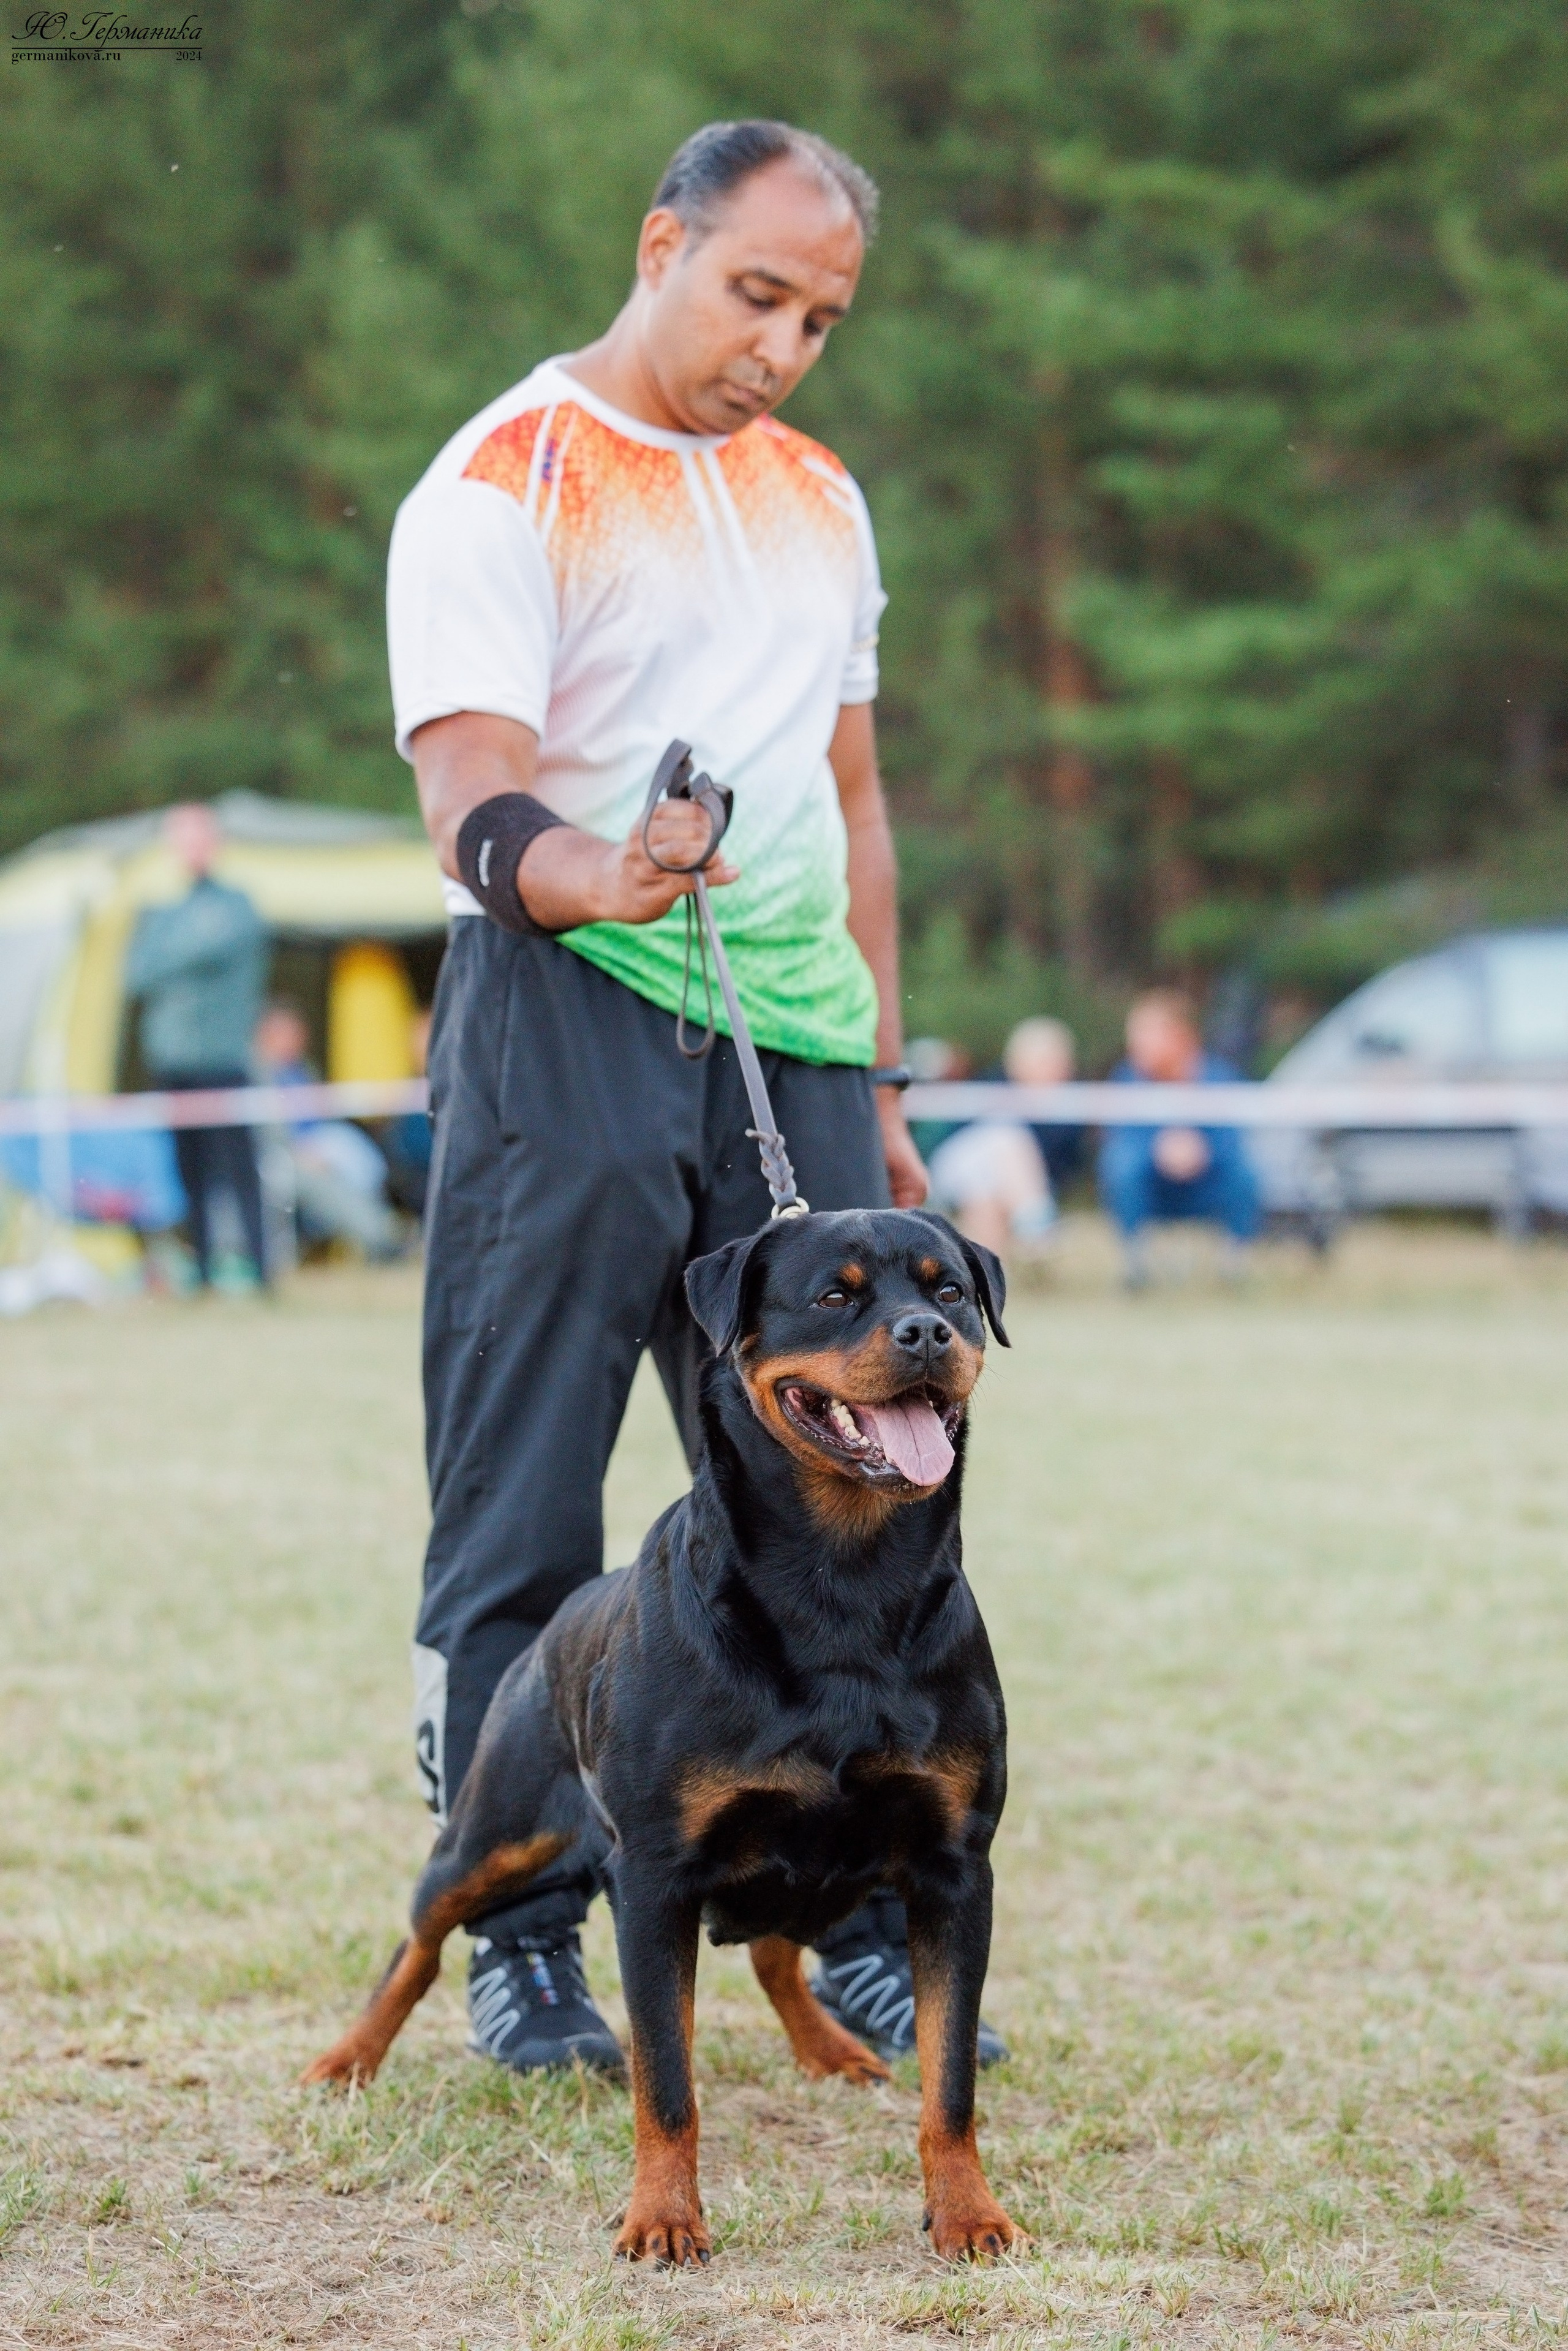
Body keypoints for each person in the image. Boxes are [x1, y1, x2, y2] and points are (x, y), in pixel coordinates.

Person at [388, 118, 1006, 2078]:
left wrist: (883, 1077)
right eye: (756, 292)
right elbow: (471, 798)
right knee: (526, 1504)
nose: (782, 345)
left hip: (799, 1047)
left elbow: (856, 793)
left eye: (821, 317)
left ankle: (874, 1903)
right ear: (661, 241)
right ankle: (525, 1934)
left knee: (860, 1481)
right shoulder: (502, 480)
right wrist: (607, 870)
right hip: (565, 1010)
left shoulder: (823, 494)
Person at [124, 804, 269, 1290]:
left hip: (225, 1062)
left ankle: (263, 1270)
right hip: (174, 1063)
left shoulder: (235, 904)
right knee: (191, 1175)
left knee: (240, 1170)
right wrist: (181, 948)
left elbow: (195, 951)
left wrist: (170, 950)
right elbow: (138, 972)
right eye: (181, 839)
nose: (191, 849)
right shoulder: (166, 909)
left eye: (198, 838)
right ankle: (204, 1272)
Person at [1099, 988, 1262, 1288]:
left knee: (1246, 1173)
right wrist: (1158, 1150)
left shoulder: (1219, 1078)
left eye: (1146, 1034)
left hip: (1207, 1185)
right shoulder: (1127, 1079)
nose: (1135, 1045)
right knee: (1119, 1166)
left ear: (1180, 1035)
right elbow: (1119, 1138)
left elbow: (1235, 1139)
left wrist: (1203, 1151)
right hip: (1154, 1187)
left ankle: (1234, 1264)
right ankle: (1135, 1266)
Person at [252, 1003, 404, 1262]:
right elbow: (262, 1132)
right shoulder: (255, 1073)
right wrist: (299, 1152)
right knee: (323, 1181)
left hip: (319, 1145)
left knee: (363, 1163)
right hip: (282, 1157)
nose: (299, 1040)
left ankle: (384, 1233)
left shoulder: (303, 1069)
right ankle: (380, 1237)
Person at [925, 1017, 1081, 1261]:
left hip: (991, 1183)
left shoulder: (1070, 1110)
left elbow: (1063, 1167)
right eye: (1043, 1062)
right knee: (1005, 1137)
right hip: (954, 1168)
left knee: (984, 1194)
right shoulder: (991, 1086)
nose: (1050, 1069)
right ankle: (1036, 1224)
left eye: (1055, 1062)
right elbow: (955, 1135)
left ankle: (990, 1274)